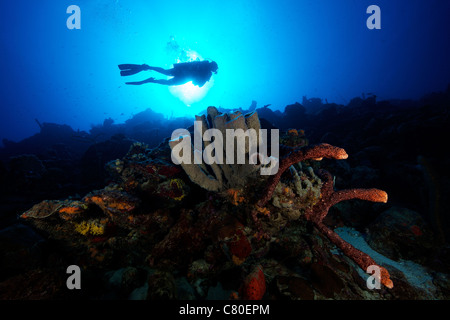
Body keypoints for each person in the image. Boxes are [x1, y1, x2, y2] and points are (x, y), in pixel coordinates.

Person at [118, 60, 218, 87]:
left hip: (183, 71)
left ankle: (148, 67)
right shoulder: (208, 74)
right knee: (168, 83)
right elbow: (199, 85)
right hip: (185, 78)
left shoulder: (203, 64)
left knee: (165, 72)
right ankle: (151, 80)